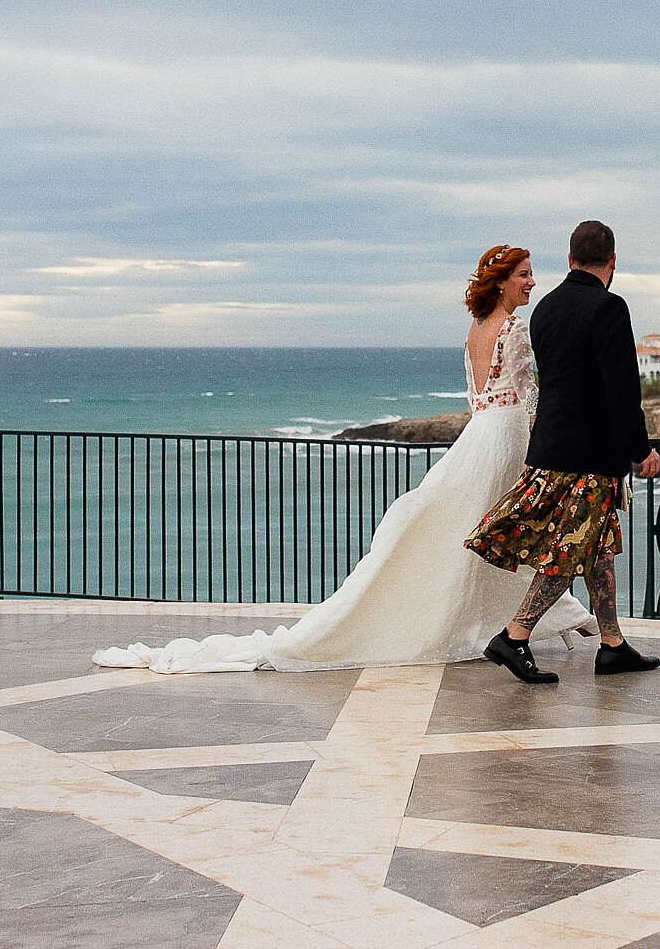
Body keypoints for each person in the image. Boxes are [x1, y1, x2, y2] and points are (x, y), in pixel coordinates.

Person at [92, 245, 592, 674]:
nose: (532, 282)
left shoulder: (477, 329)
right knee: (509, 532)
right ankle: (522, 621)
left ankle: (528, 620)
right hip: (505, 438)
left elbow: (477, 395)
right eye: (524, 274)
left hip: (479, 434)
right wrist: (542, 446)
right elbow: (531, 397)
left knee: (480, 531)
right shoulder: (516, 330)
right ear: (502, 282)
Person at [466, 220, 660, 684]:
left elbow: (553, 384)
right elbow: (621, 390)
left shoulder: (546, 309)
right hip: (589, 458)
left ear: (570, 259)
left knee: (596, 549)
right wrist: (641, 450)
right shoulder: (610, 307)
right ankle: (514, 636)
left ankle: (612, 645)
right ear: (612, 263)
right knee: (570, 551)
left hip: (551, 448)